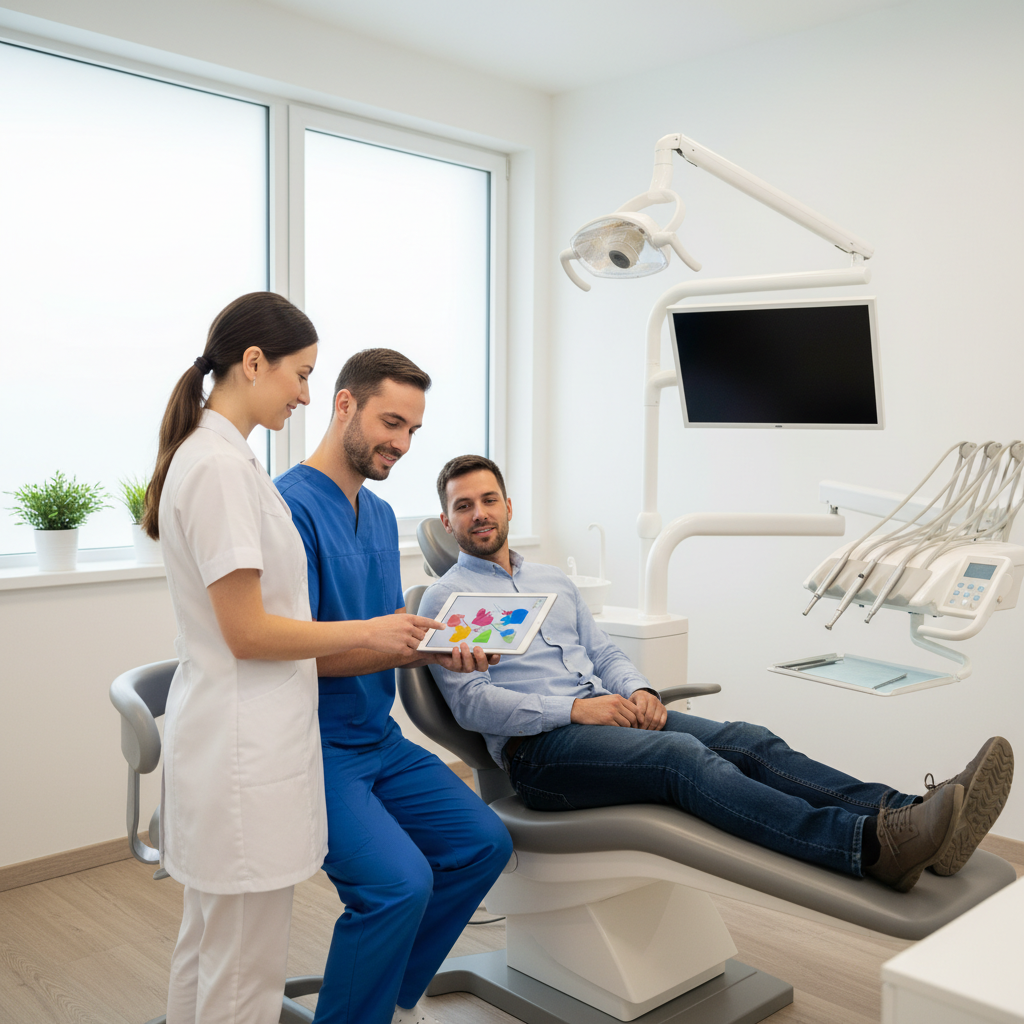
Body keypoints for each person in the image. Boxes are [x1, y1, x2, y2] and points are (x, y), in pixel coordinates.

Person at [420, 454, 1015, 894]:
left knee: (746, 739)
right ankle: (869, 846)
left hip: (612, 715)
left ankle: (912, 813)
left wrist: (640, 689)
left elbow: (604, 655)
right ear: (448, 522)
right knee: (681, 757)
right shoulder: (447, 603)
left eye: (488, 499)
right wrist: (576, 710)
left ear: (508, 506)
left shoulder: (553, 580)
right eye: (463, 506)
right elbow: (473, 705)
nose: (479, 514)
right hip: (541, 756)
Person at [144, 295, 442, 1024]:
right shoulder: (217, 467)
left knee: (211, 952)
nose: (306, 393)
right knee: (244, 975)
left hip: (242, 742)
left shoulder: (224, 459)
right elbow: (248, 631)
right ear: (253, 363)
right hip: (246, 751)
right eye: (300, 374)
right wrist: (367, 635)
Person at [275, 350, 513, 1024]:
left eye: (412, 430)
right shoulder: (286, 509)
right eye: (390, 423)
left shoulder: (380, 516)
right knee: (397, 885)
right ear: (343, 405)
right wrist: (395, 643)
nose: (402, 444)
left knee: (483, 844)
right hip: (311, 746)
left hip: (377, 738)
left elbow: (382, 636)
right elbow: (287, 651)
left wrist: (440, 650)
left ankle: (384, 999)